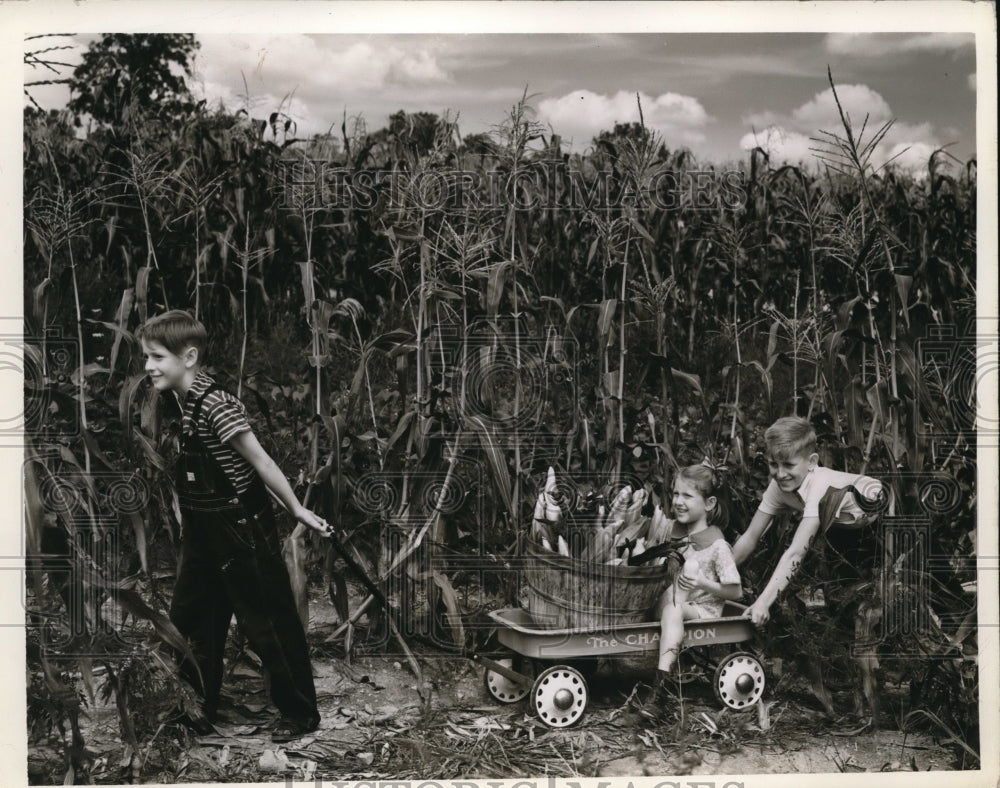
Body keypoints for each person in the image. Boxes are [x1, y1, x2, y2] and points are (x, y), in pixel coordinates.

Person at [138, 309, 331, 742]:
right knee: (192, 618)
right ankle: (195, 708)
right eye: (146, 357)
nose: (148, 366)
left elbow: (260, 460)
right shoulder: (185, 403)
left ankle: (301, 714)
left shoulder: (216, 405)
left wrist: (297, 509)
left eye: (156, 357)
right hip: (205, 532)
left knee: (266, 618)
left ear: (188, 357)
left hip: (241, 526)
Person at [732, 416, 884, 627]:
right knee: (842, 603)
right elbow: (750, 536)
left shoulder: (820, 485)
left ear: (812, 462)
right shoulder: (777, 488)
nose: (780, 473)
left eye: (789, 465)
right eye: (773, 464)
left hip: (883, 519)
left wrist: (762, 603)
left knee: (888, 594)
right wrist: (715, 577)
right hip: (842, 528)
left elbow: (796, 552)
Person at [654, 465, 741, 684]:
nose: (677, 501)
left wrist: (702, 582)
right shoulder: (669, 531)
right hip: (672, 601)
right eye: (675, 493)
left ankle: (661, 685)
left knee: (673, 610)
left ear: (709, 503)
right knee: (667, 604)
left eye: (687, 496)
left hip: (701, 610)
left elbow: (736, 591)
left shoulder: (717, 545)